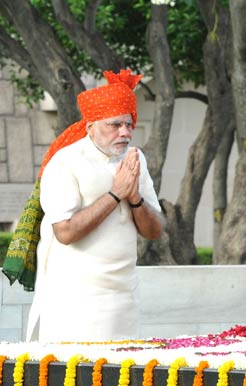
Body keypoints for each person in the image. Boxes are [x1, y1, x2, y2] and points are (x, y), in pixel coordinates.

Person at [23, 69, 164, 342]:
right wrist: (114, 195)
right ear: (91, 127)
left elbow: (154, 231)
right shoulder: (66, 163)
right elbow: (64, 232)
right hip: (76, 297)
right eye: (114, 125)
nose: (124, 132)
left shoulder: (135, 158)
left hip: (124, 293)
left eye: (129, 124)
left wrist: (134, 198)